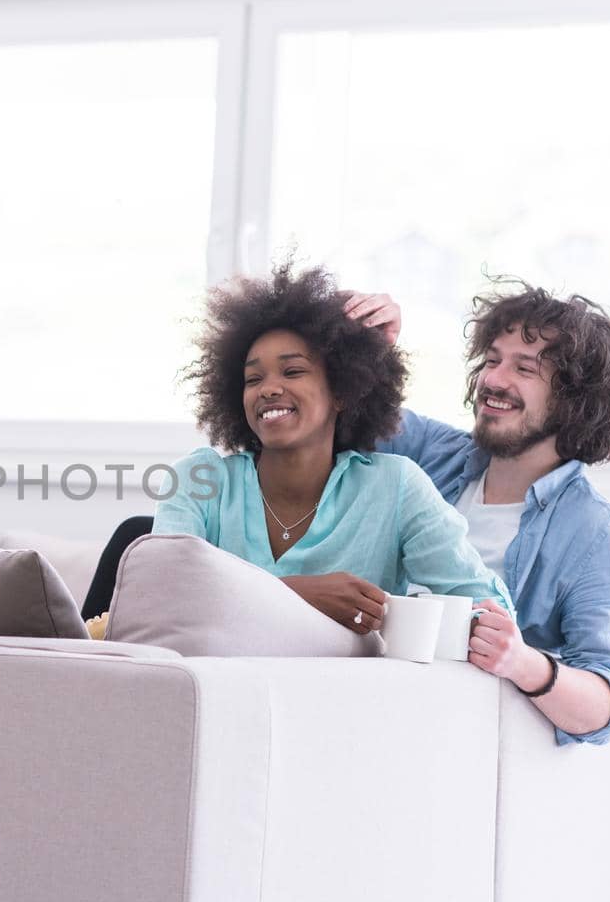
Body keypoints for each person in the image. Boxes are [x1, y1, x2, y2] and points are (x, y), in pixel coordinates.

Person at [84, 262, 511, 650]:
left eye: (292, 372)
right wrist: (297, 591)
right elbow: (161, 602)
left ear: (342, 391)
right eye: (254, 378)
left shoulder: (394, 486)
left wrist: (431, 620)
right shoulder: (201, 478)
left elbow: (487, 607)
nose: (268, 388)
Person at [343, 282, 610, 745]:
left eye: (524, 368)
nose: (494, 380)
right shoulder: (434, 454)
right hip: (359, 697)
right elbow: (343, 423)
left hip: (453, 736)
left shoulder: (596, 533)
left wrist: (522, 662)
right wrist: (369, 352)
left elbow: (608, 702)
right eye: (491, 360)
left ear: (573, 402)